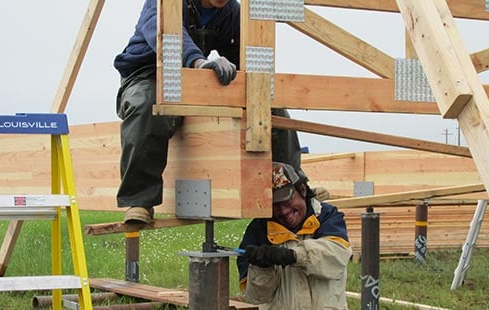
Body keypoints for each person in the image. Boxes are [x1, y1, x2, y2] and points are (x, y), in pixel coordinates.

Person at [113, 0, 302, 224]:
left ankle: (298, 184)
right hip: (147, 75)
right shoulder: (164, 2)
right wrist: (197, 62)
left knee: (268, 105)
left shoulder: (229, 10)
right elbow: (162, 33)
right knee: (145, 105)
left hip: (195, 77)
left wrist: (252, 84)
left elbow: (241, 53)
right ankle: (139, 200)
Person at [237, 162, 352, 309]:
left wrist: (293, 255)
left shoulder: (326, 216)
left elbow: (336, 257)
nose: (283, 211)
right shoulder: (258, 230)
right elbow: (255, 297)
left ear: (302, 190)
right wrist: (262, 268)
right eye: (275, 205)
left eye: (287, 201)